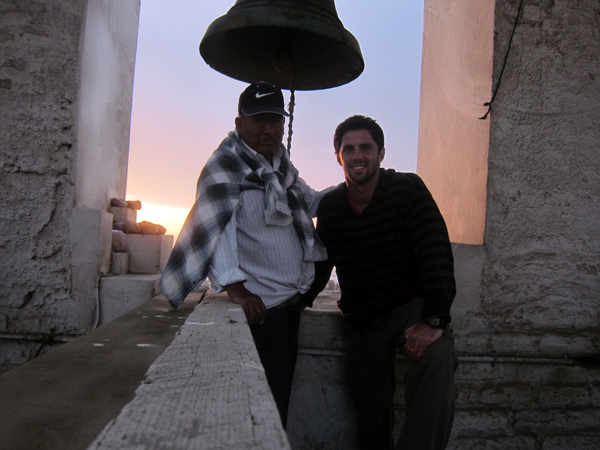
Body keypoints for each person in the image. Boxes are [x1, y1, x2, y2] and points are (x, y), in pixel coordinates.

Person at [160, 81, 329, 428]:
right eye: (259, 120)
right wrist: (236, 288)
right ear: (239, 124)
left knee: (278, 396)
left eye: (276, 121)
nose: (269, 129)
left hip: (290, 301)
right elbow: (219, 230)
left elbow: (310, 202)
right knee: (259, 407)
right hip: (262, 308)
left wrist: (350, 188)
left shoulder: (281, 167)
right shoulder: (224, 168)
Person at [301, 115, 458, 449]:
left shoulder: (407, 190)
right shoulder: (331, 208)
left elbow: (435, 252)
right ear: (338, 156)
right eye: (349, 148)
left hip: (410, 310)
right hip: (364, 321)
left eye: (366, 148)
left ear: (381, 153)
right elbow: (318, 267)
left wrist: (435, 319)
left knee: (438, 357)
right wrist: (293, 303)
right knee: (371, 412)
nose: (358, 155)